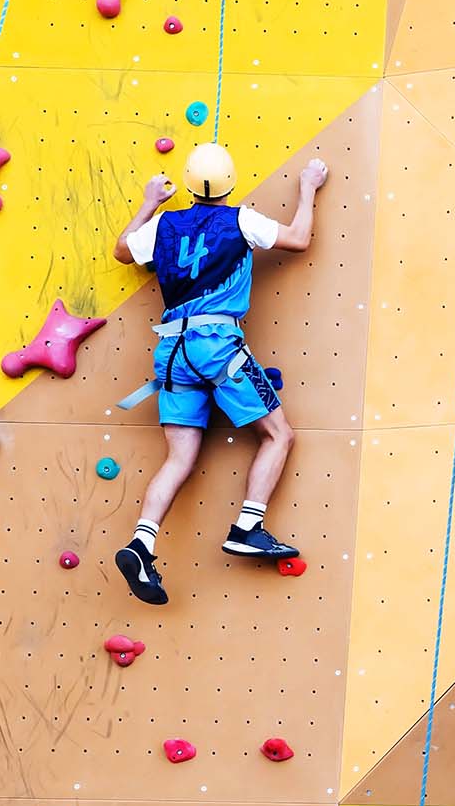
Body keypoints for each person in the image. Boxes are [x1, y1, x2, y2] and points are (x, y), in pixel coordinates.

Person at [109, 143, 327, 605]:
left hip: (172, 351)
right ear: (231, 183)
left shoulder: (164, 225)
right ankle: (248, 525)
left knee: (178, 459)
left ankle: (142, 543)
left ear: (187, 184)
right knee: (278, 435)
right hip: (217, 347)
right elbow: (298, 238)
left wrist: (150, 202)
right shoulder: (240, 220)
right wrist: (308, 188)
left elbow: (122, 252)